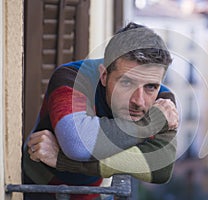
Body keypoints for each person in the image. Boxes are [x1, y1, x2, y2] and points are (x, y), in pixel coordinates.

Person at [23, 22, 178, 200]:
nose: (138, 101)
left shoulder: (163, 101)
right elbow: (78, 143)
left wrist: (63, 160)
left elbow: (160, 167)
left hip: (94, 195)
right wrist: (152, 123)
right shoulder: (71, 77)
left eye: (151, 86)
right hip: (37, 189)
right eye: (126, 83)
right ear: (104, 76)